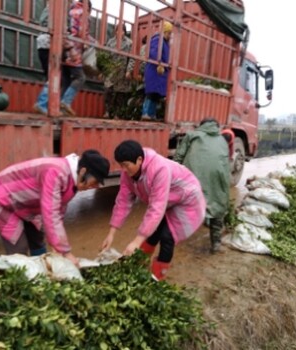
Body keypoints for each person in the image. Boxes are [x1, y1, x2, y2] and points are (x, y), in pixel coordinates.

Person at [0, 150, 110, 267]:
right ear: (83, 171)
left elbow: (58, 212)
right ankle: (17, 282)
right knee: (19, 247)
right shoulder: (56, 172)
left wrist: (56, 244)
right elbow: (50, 214)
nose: (96, 186)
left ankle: (40, 271)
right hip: (2, 198)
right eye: (95, 181)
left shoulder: (72, 181)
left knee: (37, 237)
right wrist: (66, 252)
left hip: (23, 204)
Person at [101, 140, 206, 281]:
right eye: (121, 166)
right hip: (168, 199)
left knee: (167, 237)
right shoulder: (127, 173)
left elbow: (156, 208)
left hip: (187, 198)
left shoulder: (159, 169)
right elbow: (123, 201)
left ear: (139, 160)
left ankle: (157, 277)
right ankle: (139, 263)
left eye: (126, 165)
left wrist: (136, 242)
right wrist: (111, 233)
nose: (123, 170)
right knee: (154, 231)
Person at [174, 118, 230, 253]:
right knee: (217, 204)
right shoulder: (222, 140)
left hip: (192, 177)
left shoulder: (192, 135)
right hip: (218, 179)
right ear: (216, 127)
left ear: (201, 126)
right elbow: (225, 165)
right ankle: (216, 243)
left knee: (180, 205)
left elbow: (178, 158)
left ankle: (172, 238)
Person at [33, 0, 93, 116]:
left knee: (62, 78)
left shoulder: (61, 7)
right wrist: (71, 48)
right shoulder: (75, 11)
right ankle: (46, 103)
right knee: (73, 77)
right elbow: (71, 31)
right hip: (54, 44)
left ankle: (53, 105)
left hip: (46, 42)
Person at [141, 21, 173, 121]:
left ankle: (151, 114)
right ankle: (146, 113)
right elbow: (153, 53)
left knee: (155, 94)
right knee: (151, 93)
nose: (169, 35)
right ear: (164, 31)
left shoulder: (164, 42)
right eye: (168, 33)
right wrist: (159, 63)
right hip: (154, 71)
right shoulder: (157, 40)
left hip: (159, 72)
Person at [103, 23, 134, 119]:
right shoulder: (110, 42)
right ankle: (107, 112)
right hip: (111, 70)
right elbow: (106, 56)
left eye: (122, 31)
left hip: (122, 71)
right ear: (115, 31)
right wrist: (104, 69)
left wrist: (129, 71)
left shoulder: (129, 43)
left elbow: (132, 59)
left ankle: (117, 114)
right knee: (108, 91)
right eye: (118, 30)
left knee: (120, 94)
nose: (120, 33)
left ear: (125, 32)